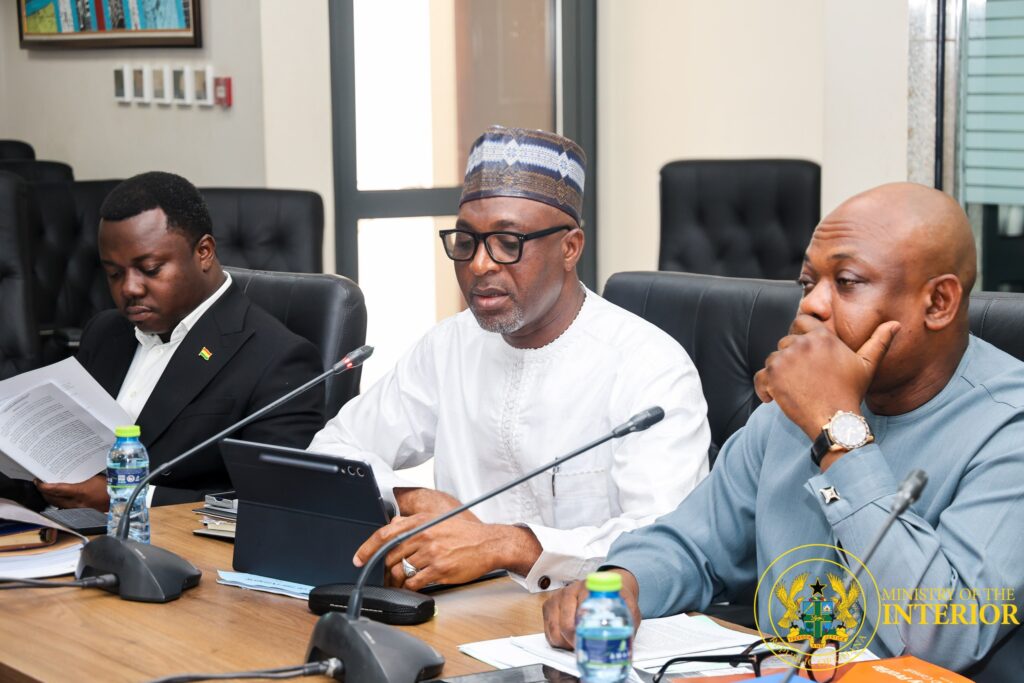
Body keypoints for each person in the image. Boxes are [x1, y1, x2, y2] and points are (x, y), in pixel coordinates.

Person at [541, 183, 1024, 681]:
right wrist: (625, 582)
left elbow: (944, 637)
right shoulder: (794, 404)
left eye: (848, 282)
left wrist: (837, 432)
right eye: (808, 283)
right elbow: (693, 543)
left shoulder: (1011, 427)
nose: (812, 306)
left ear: (939, 302)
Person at [310, 126, 711, 592]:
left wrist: (506, 546)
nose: (480, 264)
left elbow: (665, 542)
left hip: (586, 615)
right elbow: (332, 448)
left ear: (569, 248)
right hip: (459, 608)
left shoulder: (649, 367)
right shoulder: (450, 345)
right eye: (466, 241)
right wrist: (409, 497)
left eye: (507, 242)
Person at [31, 171, 325, 509]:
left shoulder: (280, 360)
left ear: (204, 252)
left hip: (170, 540)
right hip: (60, 530)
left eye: (150, 269)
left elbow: (270, 503)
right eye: (114, 273)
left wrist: (121, 498)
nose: (129, 288)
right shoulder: (105, 332)